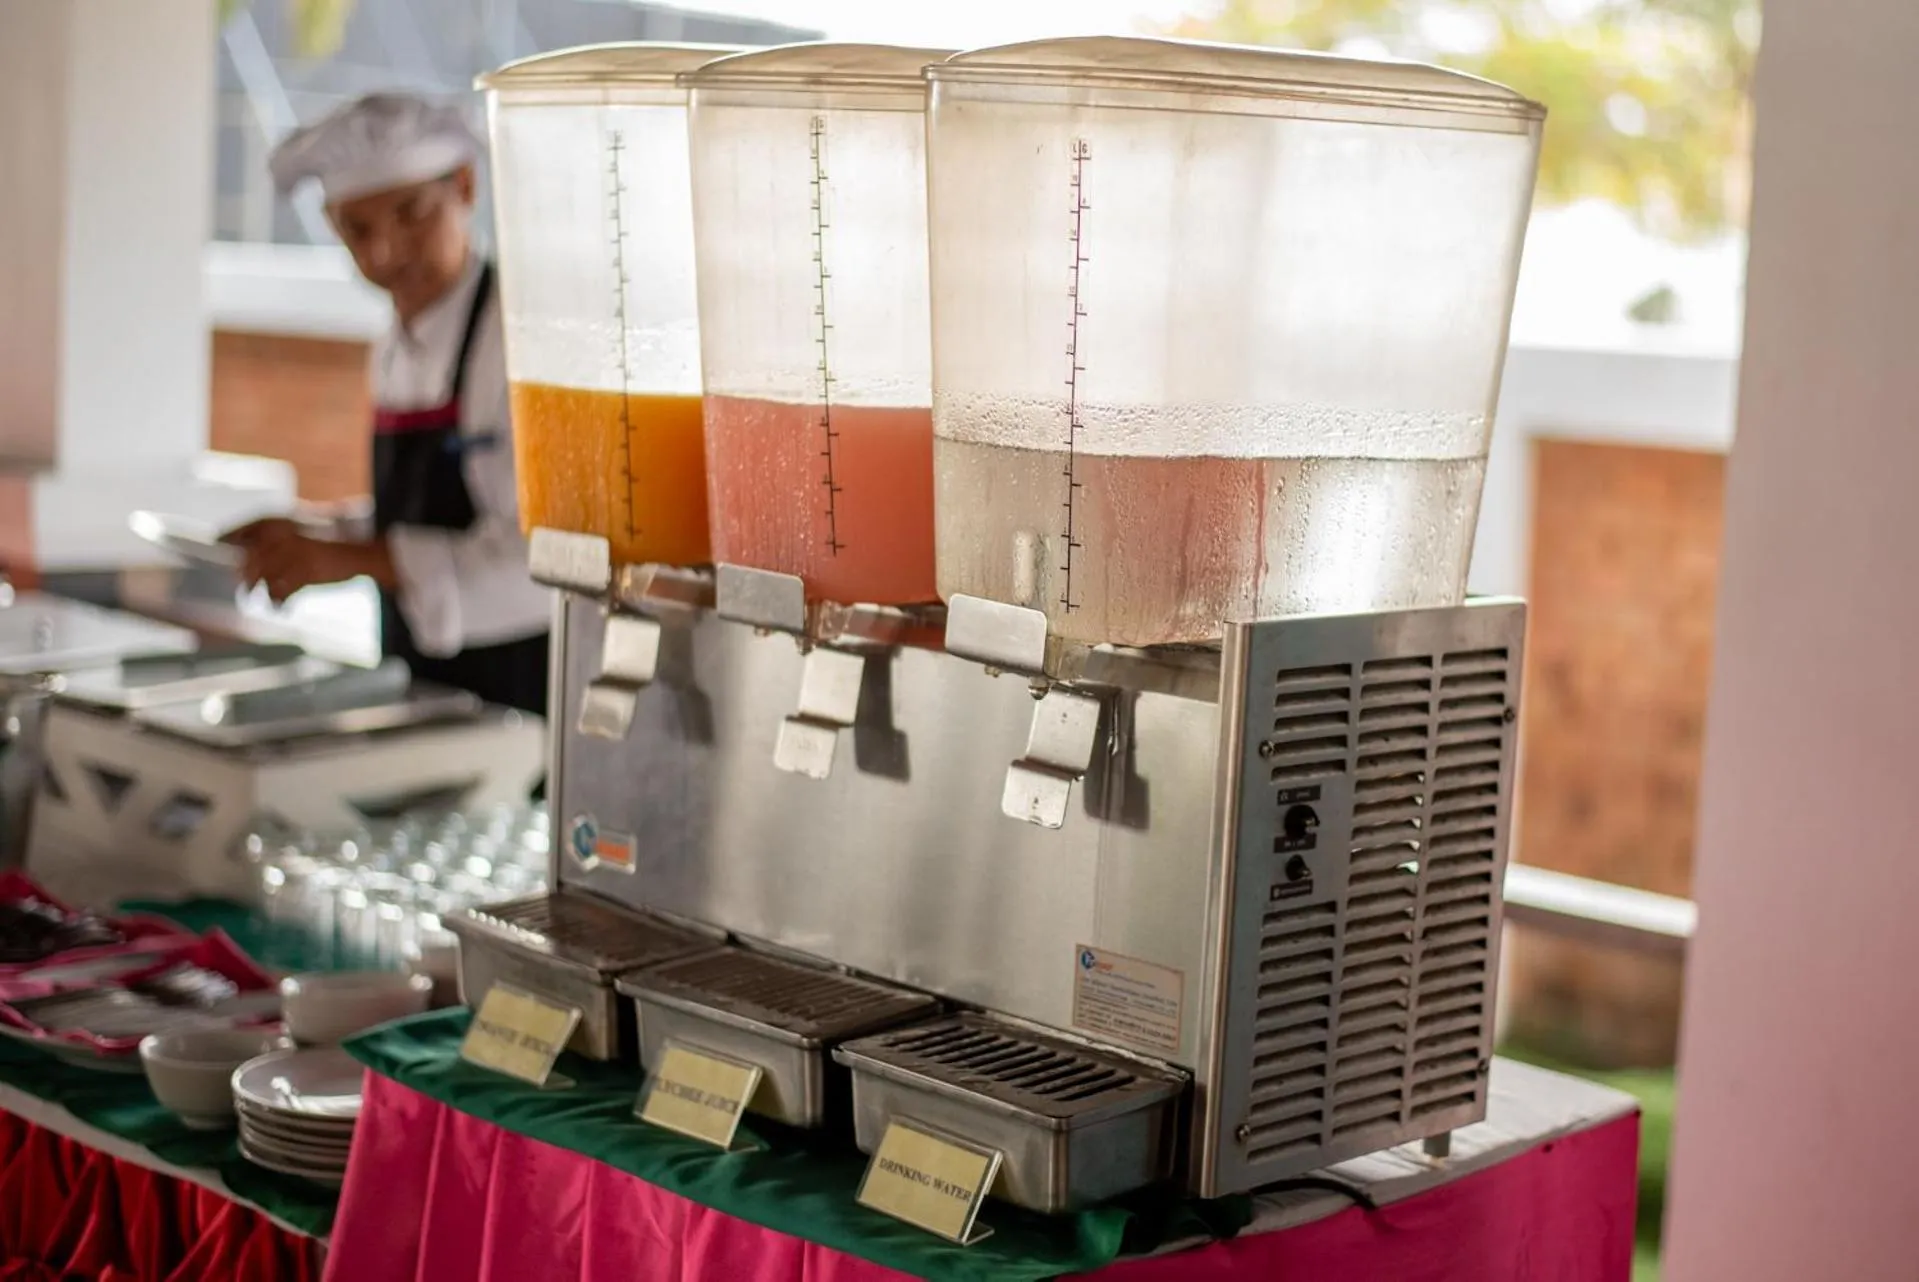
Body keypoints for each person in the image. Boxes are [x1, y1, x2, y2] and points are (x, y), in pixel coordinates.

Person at [228, 93, 550, 717]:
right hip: (423, 685)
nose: (383, 252)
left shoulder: (521, 338)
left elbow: (541, 559)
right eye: (358, 230)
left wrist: (351, 558)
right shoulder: (392, 349)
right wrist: (317, 533)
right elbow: (421, 518)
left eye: (411, 214)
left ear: (465, 187)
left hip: (518, 692)